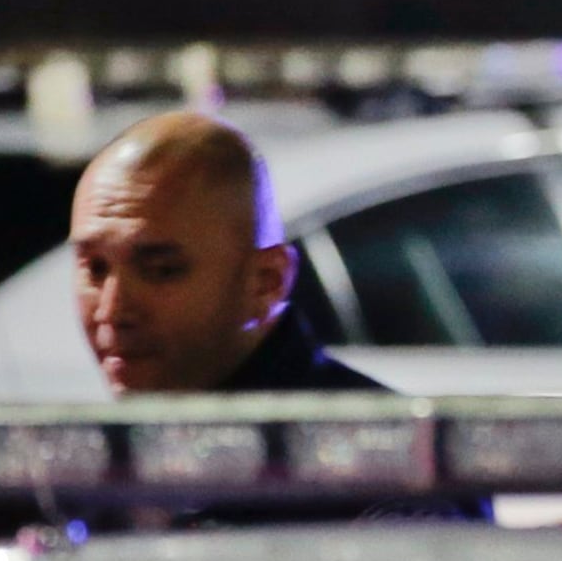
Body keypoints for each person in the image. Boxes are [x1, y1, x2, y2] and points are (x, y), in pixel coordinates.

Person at [68, 111, 377, 395]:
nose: (111, 312)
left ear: (266, 282)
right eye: (95, 268)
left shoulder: (370, 433)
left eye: (161, 270)